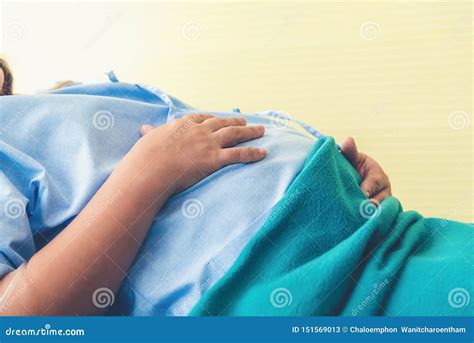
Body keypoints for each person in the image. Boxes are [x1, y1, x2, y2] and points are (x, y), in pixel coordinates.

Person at [0, 60, 391, 316]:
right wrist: (149, 172)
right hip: (268, 281)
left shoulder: (56, 101)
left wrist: (340, 168)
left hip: (368, 229)